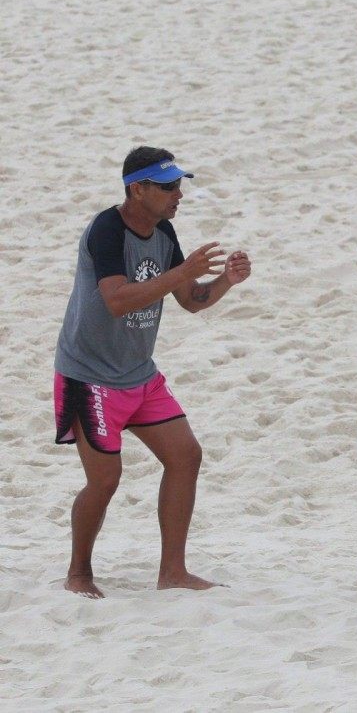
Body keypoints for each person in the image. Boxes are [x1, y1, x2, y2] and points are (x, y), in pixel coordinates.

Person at [54, 146, 252, 598]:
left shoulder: (164, 231)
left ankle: (173, 573)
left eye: (178, 184)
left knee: (186, 456)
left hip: (138, 374)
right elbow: (117, 299)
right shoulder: (107, 230)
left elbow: (190, 299)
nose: (177, 194)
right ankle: (79, 573)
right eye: (166, 186)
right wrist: (182, 269)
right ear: (136, 188)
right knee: (104, 480)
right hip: (88, 377)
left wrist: (225, 282)